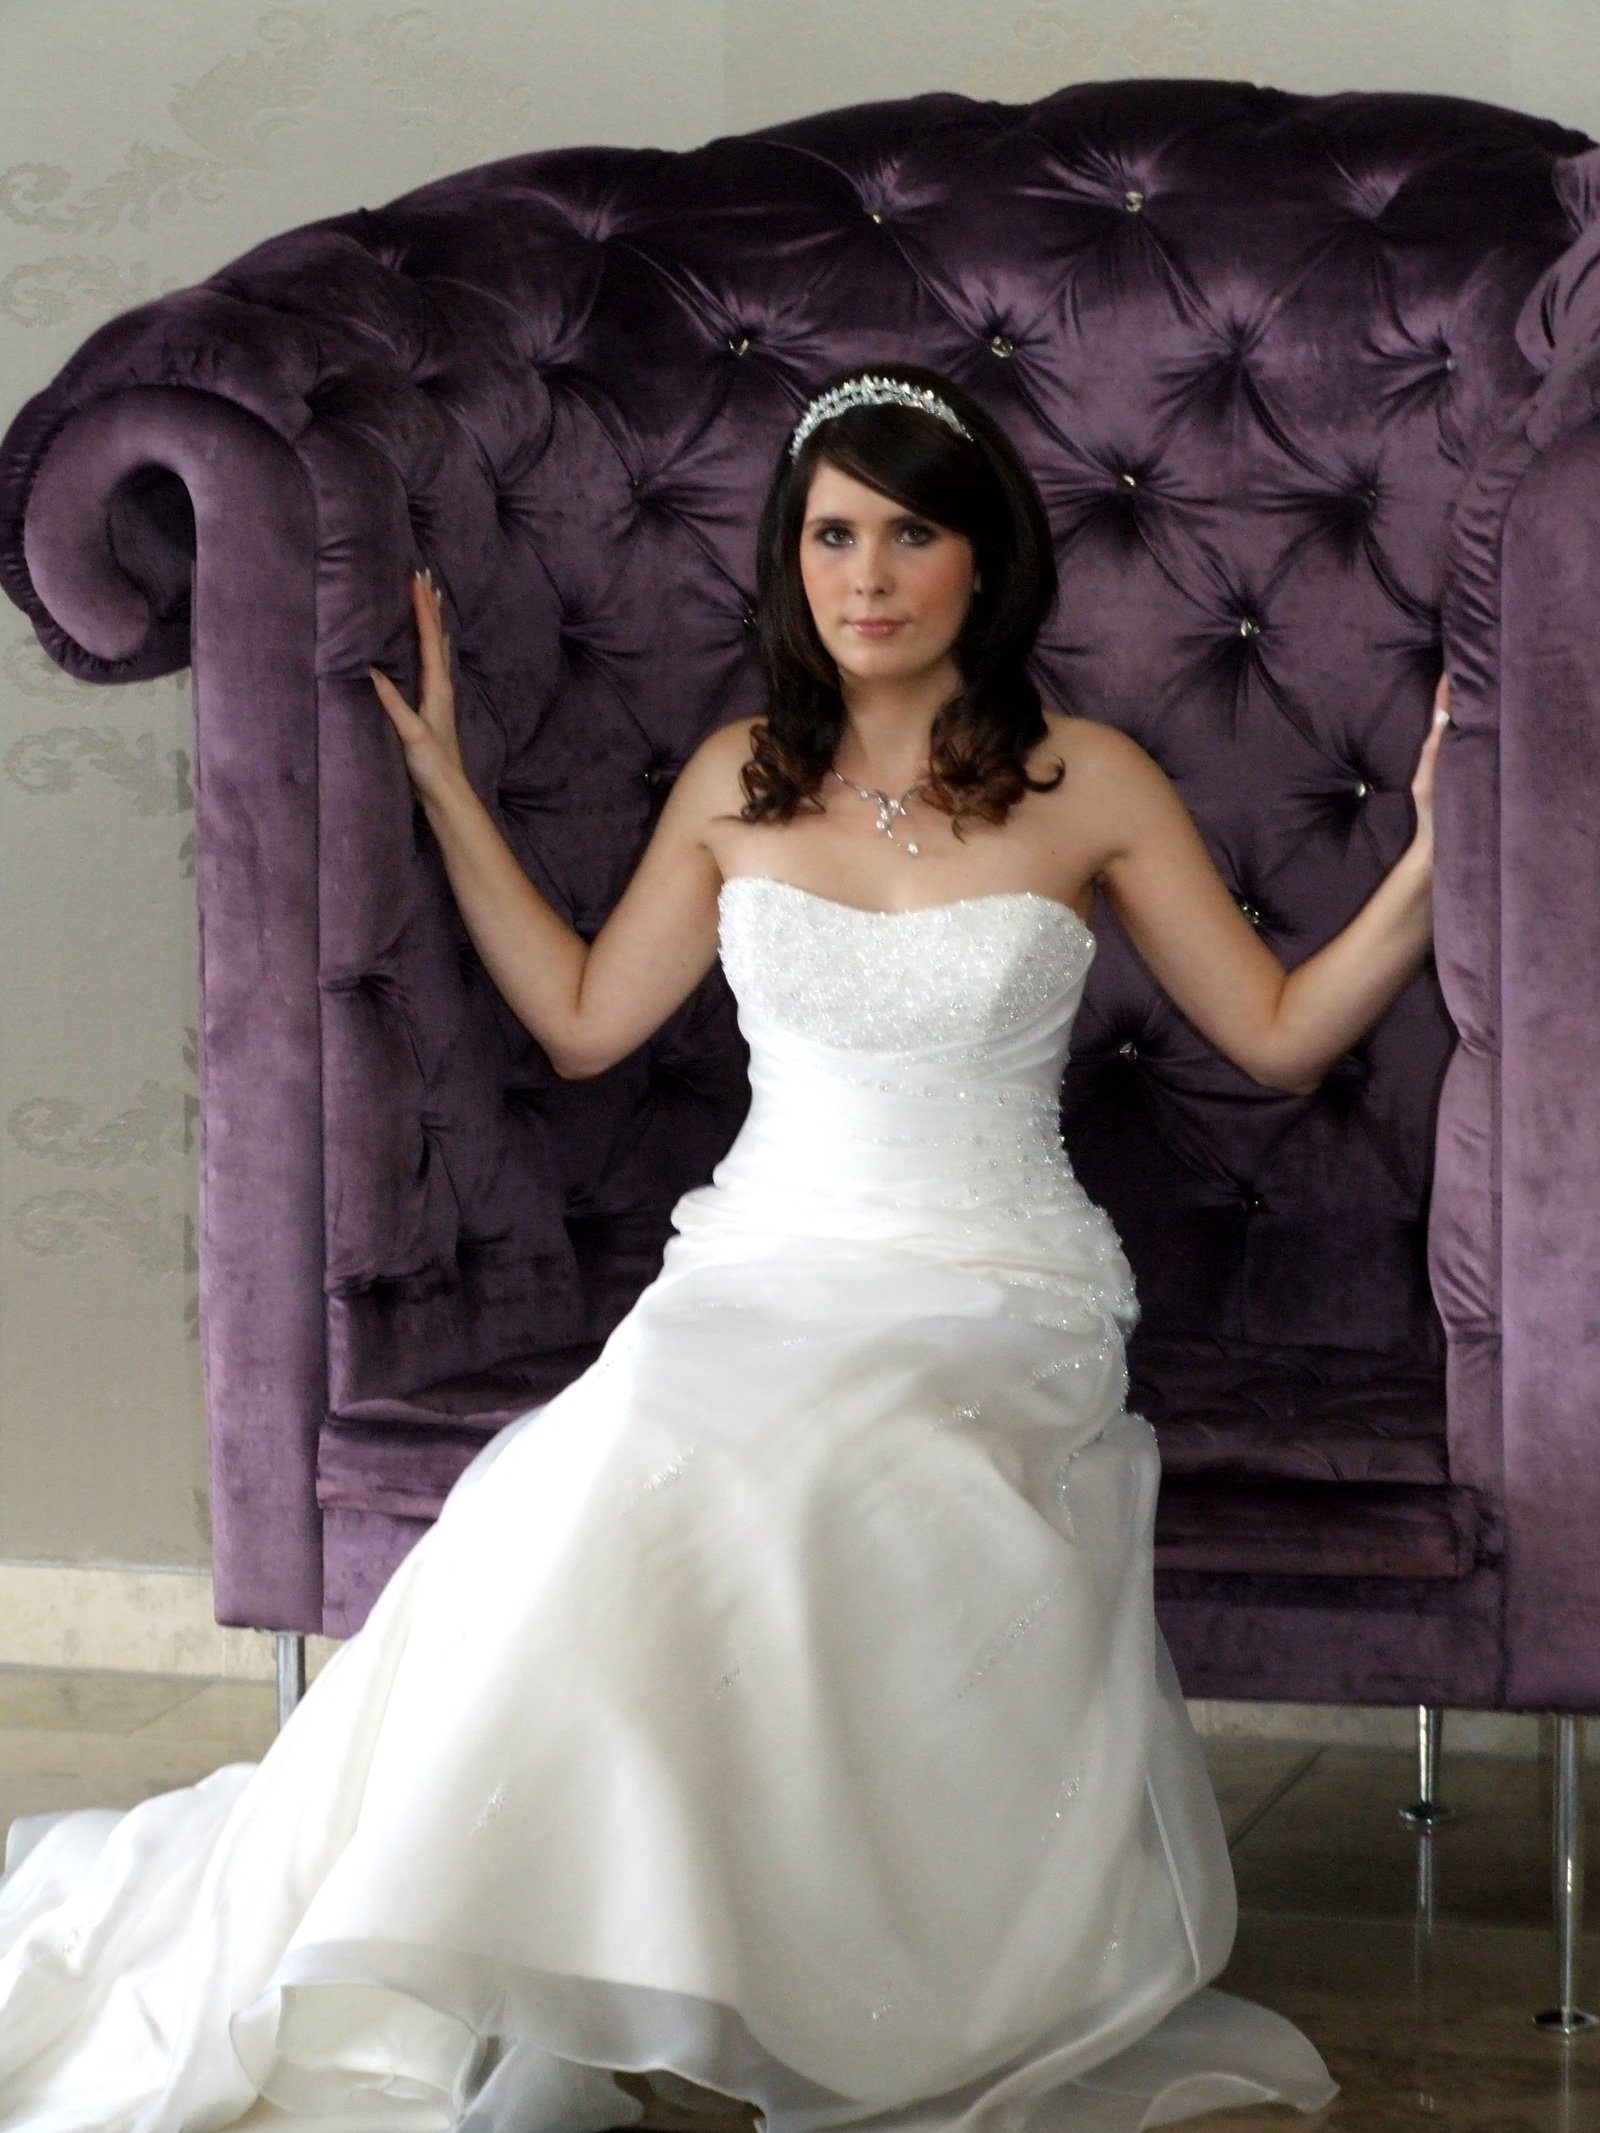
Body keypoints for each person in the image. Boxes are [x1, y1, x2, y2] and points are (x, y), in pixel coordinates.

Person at [0, 364, 1445, 2133]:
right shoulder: (736, 780)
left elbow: (1282, 1034)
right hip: (755, 1268)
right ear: (791, 559)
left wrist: (1432, 860)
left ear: (983, 561)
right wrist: (447, 786)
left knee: (819, 1458)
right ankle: (570, 1957)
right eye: (832, 534)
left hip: (995, 1288)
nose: (868, 575)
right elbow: (585, 1018)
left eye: (909, 533)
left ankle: (813, 1981)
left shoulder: (1090, 782)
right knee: (589, 1461)